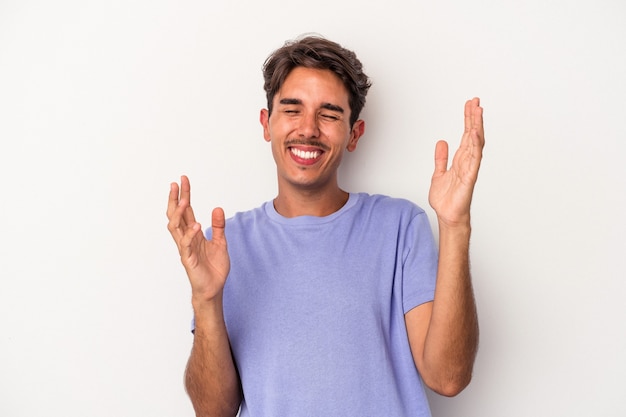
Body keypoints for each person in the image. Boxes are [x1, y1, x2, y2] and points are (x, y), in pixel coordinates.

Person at [167, 35, 484, 417]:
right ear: (267, 124)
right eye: (292, 109)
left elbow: (448, 378)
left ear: (354, 134)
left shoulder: (400, 226)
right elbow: (213, 411)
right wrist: (206, 300)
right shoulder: (223, 245)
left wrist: (455, 224)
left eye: (329, 114)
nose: (309, 129)